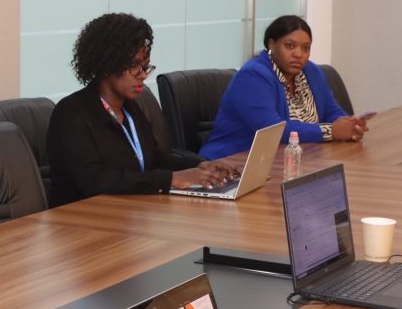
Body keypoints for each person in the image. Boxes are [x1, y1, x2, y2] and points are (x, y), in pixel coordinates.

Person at [47, 13, 237, 206]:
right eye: (134, 66)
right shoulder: (71, 114)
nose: (143, 75)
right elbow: (95, 181)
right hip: (82, 216)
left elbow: (155, 159)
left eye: (145, 67)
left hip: (127, 211)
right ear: (107, 64)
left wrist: (200, 165)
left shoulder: (130, 109)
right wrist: (170, 180)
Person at [200, 15, 367, 159]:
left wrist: (350, 125)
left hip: (293, 159)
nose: (299, 54)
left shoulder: (312, 71)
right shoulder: (253, 76)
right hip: (235, 162)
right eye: (290, 46)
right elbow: (274, 130)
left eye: (306, 48)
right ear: (271, 45)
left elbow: (332, 112)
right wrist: (330, 131)